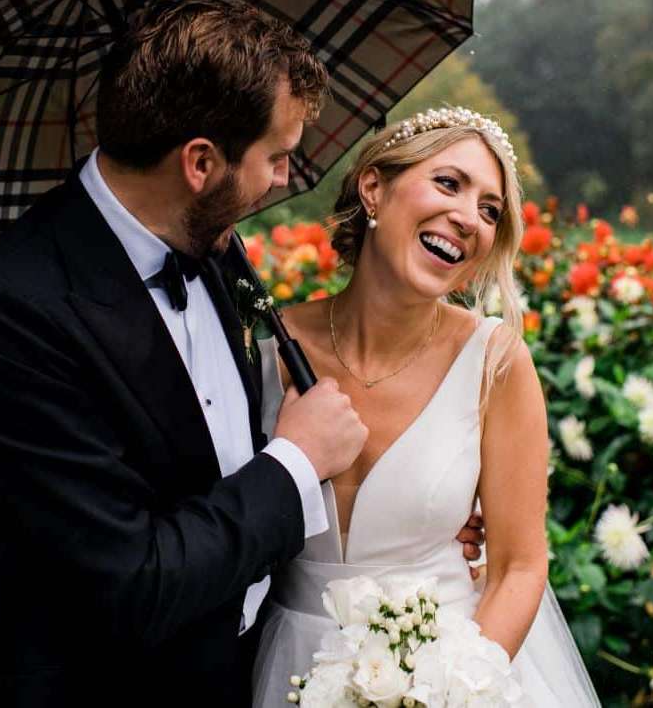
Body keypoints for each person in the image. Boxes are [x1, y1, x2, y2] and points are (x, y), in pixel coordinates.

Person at [0, 0, 483, 708]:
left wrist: (415, 505)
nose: (283, 178)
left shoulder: (211, 247)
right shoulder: (10, 313)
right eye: (274, 157)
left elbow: (209, 459)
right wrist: (295, 462)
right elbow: (134, 579)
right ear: (199, 162)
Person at [252, 109, 601, 706]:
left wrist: (448, 693)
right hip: (279, 670)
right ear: (374, 189)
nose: (469, 218)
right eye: (448, 183)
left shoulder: (495, 362)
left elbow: (519, 566)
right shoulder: (262, 352)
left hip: (450, 670)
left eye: (491, 210)